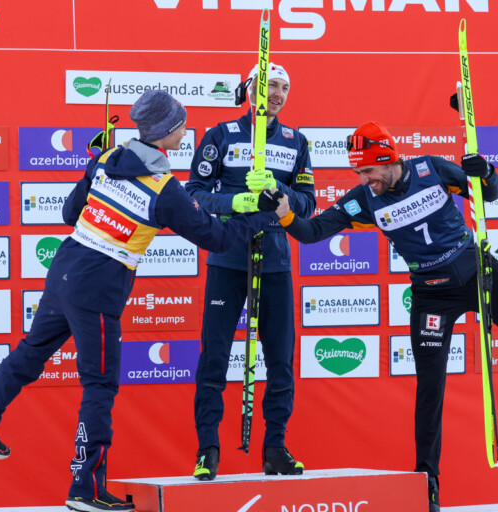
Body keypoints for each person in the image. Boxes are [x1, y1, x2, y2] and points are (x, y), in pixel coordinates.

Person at [0, 89, 289, 512]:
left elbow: (70, 214)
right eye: (182, 123)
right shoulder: (164, 188)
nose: (186, 130)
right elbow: (217, 238)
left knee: (31, 352)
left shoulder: (106, 159)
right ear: (167, 132)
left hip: (65, 269)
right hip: (98, 285)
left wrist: (93, 170)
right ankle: (85, 488)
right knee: (100, 384)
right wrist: (261, 214)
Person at [277, 121, 498, 512]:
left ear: (388, 159)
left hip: (479, 274)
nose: (366, 179)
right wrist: (284, 213)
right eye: (359, 173)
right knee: (430, 387)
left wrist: (485, 171)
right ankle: (427, 478)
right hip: (431, 295)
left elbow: (489, 196)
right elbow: (312, 231)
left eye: (369, 171)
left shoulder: (430, 169)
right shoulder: (364, 199)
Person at [186, 62, 316, 480]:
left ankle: (275, 447)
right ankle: (208, 449)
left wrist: (282, 195)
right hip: (228, 258)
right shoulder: (220, 135)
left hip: (275, 260)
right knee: (215, 358)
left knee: (281, 359)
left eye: (284, 87)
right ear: (250, 89)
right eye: (269, 85)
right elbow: (194, 194)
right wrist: (238, 202)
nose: (277, 93)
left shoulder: (297, 141)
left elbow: (309, 203)